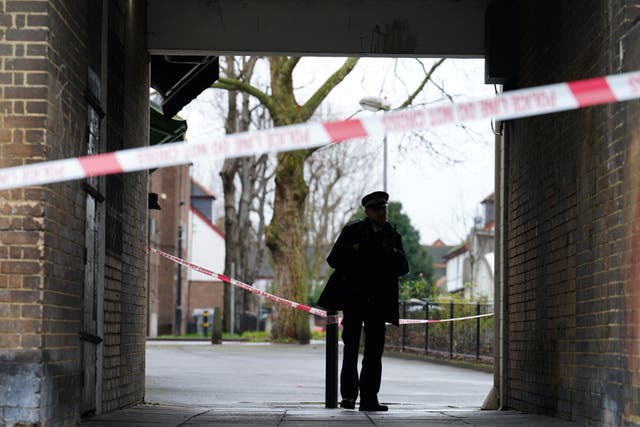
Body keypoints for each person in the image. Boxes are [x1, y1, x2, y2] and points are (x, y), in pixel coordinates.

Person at [318, 191, 409, 412]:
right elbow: (334, 260)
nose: (383, 213)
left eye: (384, 209)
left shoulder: (391, 235)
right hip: (354, 299)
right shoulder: (353, 231)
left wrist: (388, 254)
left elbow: (403, 267)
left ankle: (369, 398)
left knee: (374, 351)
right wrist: (357, 252)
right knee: (351, 348)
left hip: (378, 302)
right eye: (378, 209)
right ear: (367, 211)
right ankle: (348, 396)